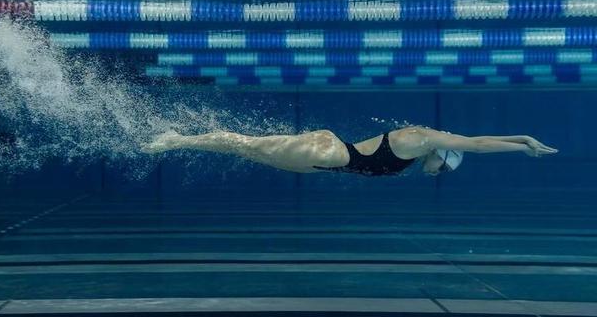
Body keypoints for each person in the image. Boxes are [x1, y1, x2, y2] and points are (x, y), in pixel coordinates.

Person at [142, 126, 557, 176]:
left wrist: (521, 139)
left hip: (321, 161)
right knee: (242, 145)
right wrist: (521, 143)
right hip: (326, 151)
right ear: (444, 154)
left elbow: (474, 142)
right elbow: (478, 144)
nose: (439, 174)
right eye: (445, 169)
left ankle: (179, 137)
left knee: (244, 151)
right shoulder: (421, 139)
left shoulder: (416, 154)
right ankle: (176, 139)